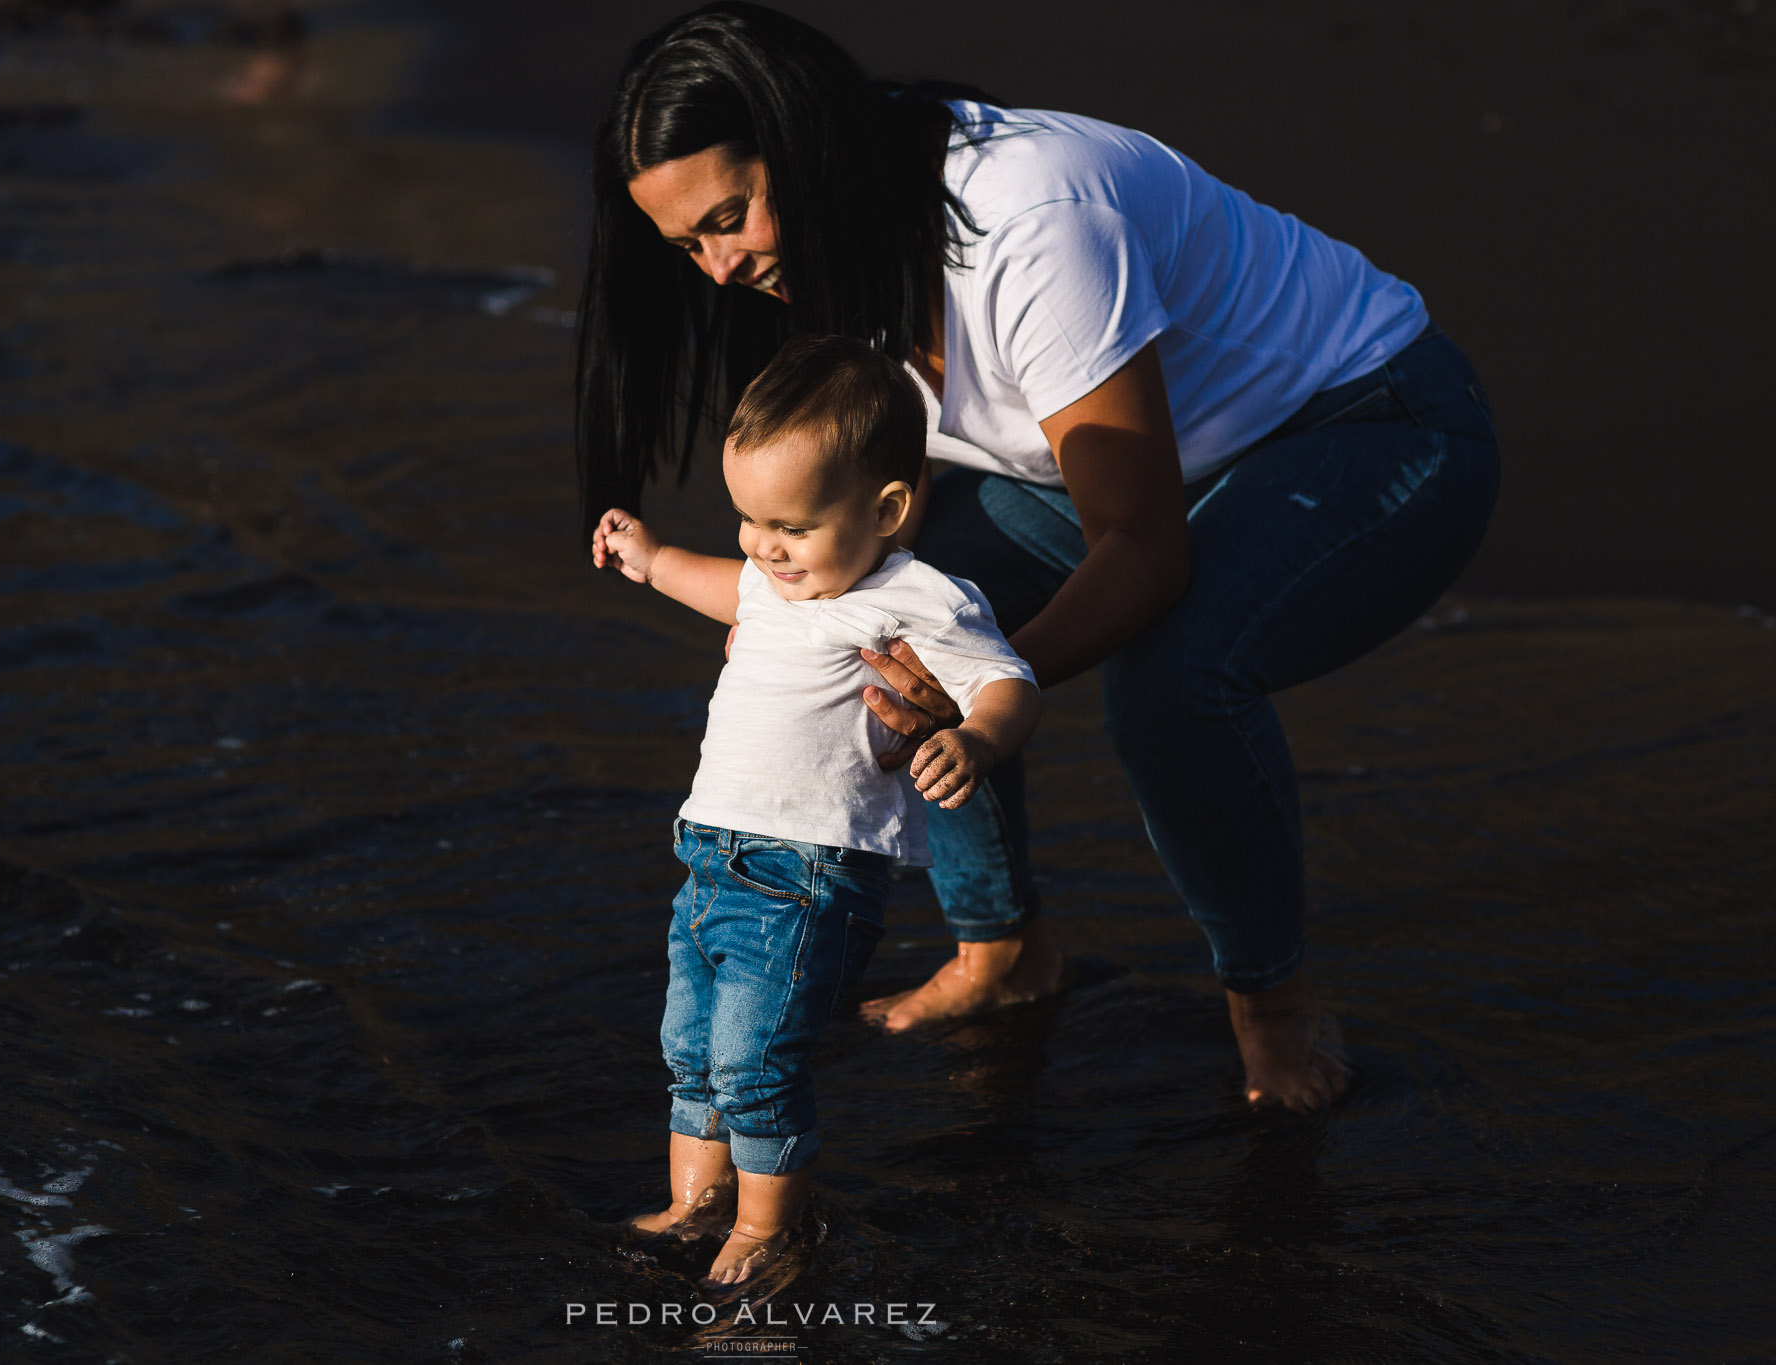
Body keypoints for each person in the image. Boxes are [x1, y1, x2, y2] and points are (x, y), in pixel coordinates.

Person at [576, 4, 1500, 1110]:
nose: (719, 268)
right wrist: (803, 617)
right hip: (1118, 468)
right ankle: (1004, 953)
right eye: (688, 246)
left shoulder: (1027, 220)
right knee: (897, 621)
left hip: (1363, 423)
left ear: (806, 141)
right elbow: (865, 515)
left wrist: (981, 689)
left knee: (1172, 680)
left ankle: (1270, 1001)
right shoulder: (817, 246)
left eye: (730, 217)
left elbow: (1142, 549)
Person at [591, 334, 1041, 1286]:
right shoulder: (777, 575)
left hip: (810, 874)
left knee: (756, 1062)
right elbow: (729, 587)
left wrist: (978, 737)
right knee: (690, 1051)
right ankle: (694, 1201)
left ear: (887, 509)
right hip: (710, 859)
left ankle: (770, 1229)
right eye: (749, 518)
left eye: (790, 525)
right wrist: (652, 555)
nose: (764, 546)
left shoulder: (911, 595)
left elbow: (1006, 677)